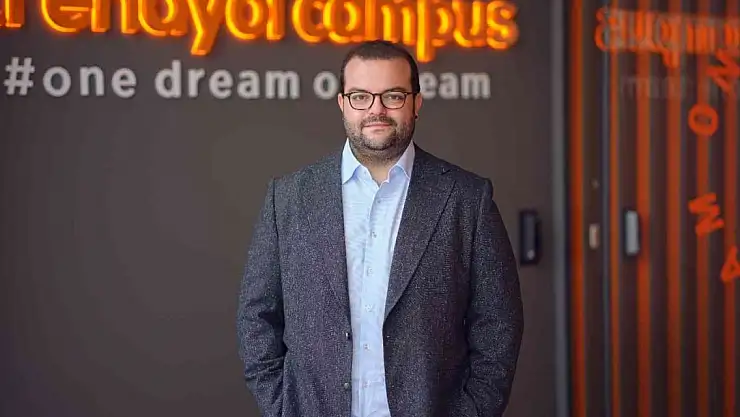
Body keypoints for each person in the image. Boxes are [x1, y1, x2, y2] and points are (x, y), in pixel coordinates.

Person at [236, 40, 524, 417]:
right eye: (360, 96)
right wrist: (282, 407)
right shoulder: (288, 198)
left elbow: (499, 323)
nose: (376, 109)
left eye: (393, 95)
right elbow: (256, 317)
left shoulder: (467, 199)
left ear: (416, 103)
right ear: (342, 104)